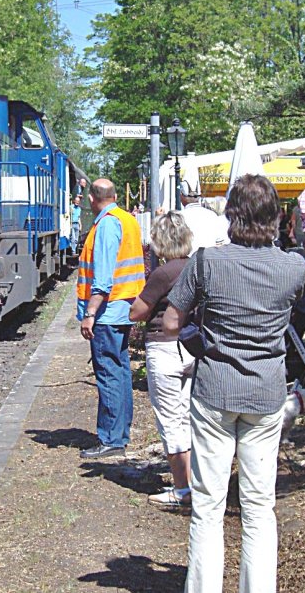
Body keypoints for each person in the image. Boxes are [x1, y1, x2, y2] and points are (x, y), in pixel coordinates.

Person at [164, 174, 305, 593]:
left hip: (214, 390)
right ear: (276, 216)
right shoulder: (294, 266)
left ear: (231, 216)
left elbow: (172, 320)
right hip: (266, 393)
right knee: (260, 505)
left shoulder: (206, 261)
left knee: (208, 505)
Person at [129, 211, 194, 508]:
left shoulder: (163, 274)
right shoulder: (199, 267)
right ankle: (196, 482)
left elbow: (138, 312)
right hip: (193, 346)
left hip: (165, 348)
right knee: (188, 416)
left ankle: (183, 489)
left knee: (170, 420)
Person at [77, 178, 145, 459]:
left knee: (108, 374)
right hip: (124, 308)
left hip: (106, 312)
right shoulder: (127, 219)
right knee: (120, 372)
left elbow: (103, 280)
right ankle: (120, 432)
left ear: (92, 199)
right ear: (115, 196)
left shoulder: (105, 225)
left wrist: (90, 313)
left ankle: (111, 438)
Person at [178, 182, 226, 253]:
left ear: (182, 196)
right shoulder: (212, 215)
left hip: (186, 261)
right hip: (209, 260)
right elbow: (220, 243)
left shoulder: (178, 217)